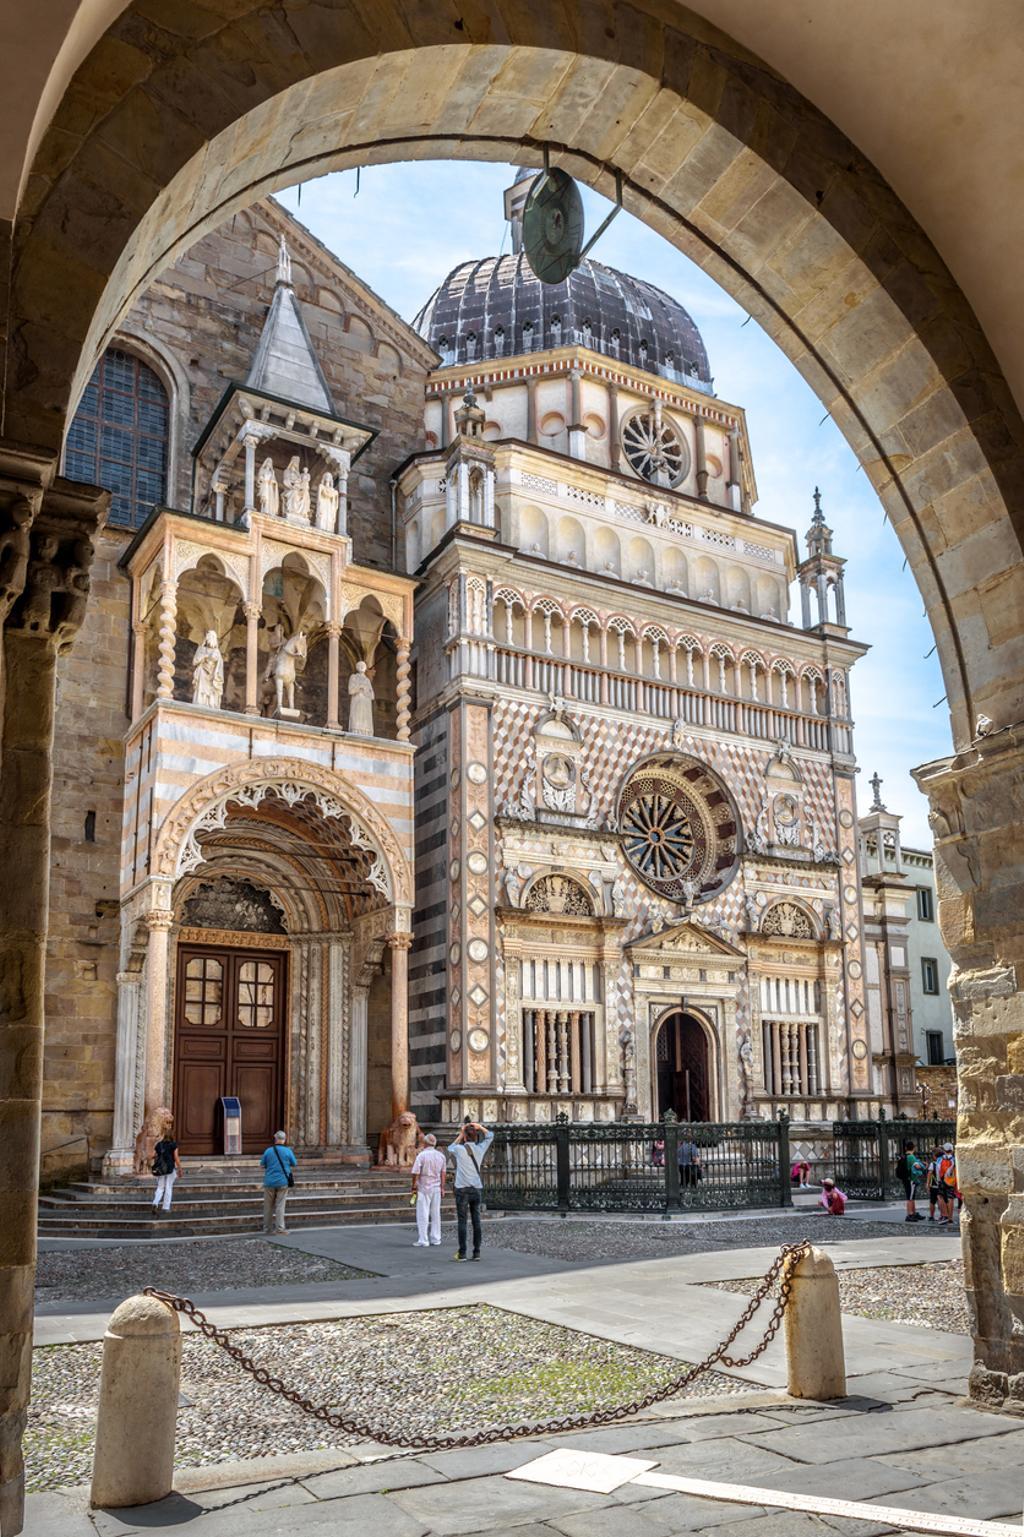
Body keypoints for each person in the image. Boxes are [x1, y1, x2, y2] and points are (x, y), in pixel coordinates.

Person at [448, 1118, 494, 1261]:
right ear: (476, 1136)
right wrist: (480, 1127)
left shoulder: (459, 1149)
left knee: (462, 1221)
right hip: (476, 1189)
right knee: (476, 1221)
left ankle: (462, 1253)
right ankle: (477, 1252)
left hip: (462, 1189)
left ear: (466, 1137)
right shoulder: (480, 1148)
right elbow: (490, 1135)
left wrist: (461, 1134)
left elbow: (450, 1148)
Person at [411, 1132, 446, 1247]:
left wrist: (414, 1185)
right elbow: (443, 1173)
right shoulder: (441, 1156)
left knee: (423, 1213)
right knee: (436, 1213)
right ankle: (436, 1238)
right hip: (436, 1186)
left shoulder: (421, 1155)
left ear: (425, 1143)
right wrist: (442, 1188)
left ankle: (423, 1239)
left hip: (423, 1186)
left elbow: (415, 1172)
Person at [260, 1130, 296, 1235]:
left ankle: (267, 1229)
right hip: (283, 1182)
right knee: (280, 1206)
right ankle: (280, 1228)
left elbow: (262, 1165)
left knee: (268, 1206)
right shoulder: (288, 1151)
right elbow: (294, 1163)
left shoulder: (268, 1151)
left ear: (275, 1139)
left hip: (269, 1182)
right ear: (284, 1140)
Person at [151, 1120, 181, 1214]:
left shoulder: (159, 1145)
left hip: (160, 1168)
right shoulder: (173, 1145)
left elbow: (153, 1155)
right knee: (168, 1187)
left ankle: (155, 1203)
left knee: (160, 1187)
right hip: (170, 1168)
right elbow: (176, 1157)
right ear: (172, 1135)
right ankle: (166, 1207)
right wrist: (180, 1168)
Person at [897, 1138, 926, 1223]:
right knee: (910, 1197)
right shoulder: (911, 1157)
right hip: (911, 1179)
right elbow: (917, 1166)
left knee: (911, 1197)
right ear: (914, 1148)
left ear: (906, 1148)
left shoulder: (904, 1156)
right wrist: (923, 1167)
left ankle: (913, 1213)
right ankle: (910, 1214)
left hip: (907, 1178)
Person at [935, 1141, 958, 1225]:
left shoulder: (940, 1159)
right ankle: (950, 1218)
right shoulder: (954, 1159)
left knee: (940, 1197)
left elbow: (937, 1170)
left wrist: (938, 1180)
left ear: (944, 1150)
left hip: (941, 1180)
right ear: (951, 1150)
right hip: (950, 1181)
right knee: (950, 1198)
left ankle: (945, 1215)